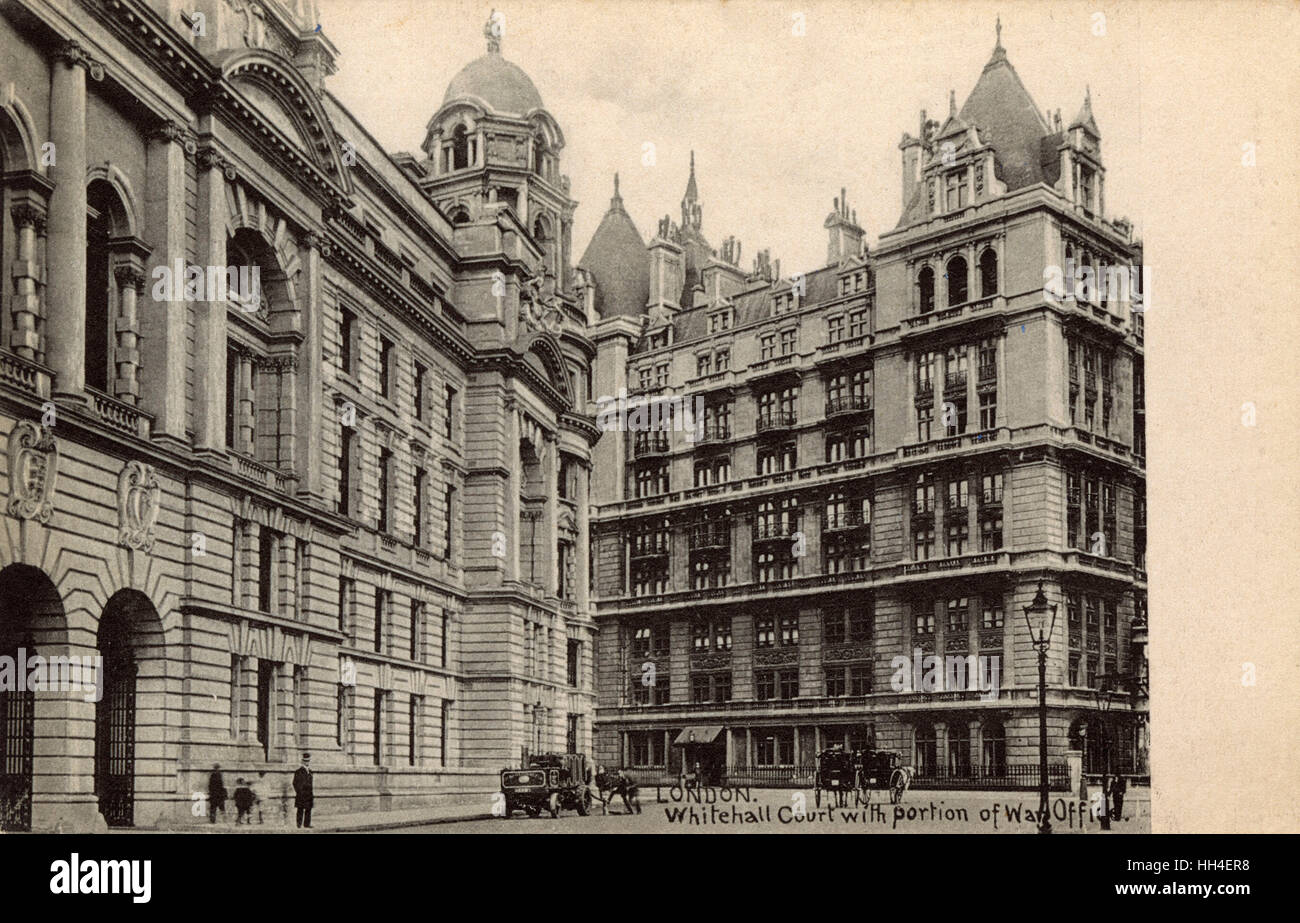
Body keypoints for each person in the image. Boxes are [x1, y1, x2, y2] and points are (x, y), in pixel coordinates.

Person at [293, 752, 314, 829]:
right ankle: (299, 824)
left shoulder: (310, 771)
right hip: (301, 794)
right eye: (305, 761)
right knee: (300, 809)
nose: (307, 762)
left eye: (308, 761)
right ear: (302, 761)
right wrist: (299, 792)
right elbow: (295, 783)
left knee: (308, 809)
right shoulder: (298, 771)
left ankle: (307, 824)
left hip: (309, 794)